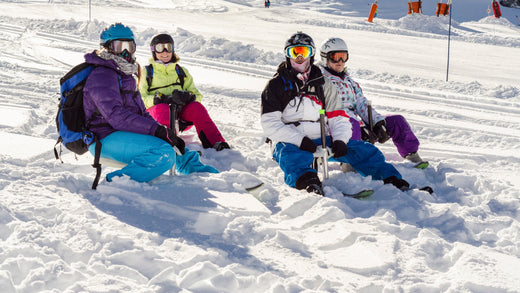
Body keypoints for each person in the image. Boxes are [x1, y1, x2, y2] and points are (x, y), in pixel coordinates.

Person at [261, 32, 411, 195]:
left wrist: (340, 139)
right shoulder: (275, 85)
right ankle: (308, 183)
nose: (299, 57)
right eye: (293, 52)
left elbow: (338, 117)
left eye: (303, 52)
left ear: (311, 54)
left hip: (321, 138)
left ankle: (390, 178)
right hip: (289, 140)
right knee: (291, 156)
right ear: (287, 55)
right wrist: (300, 140)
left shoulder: (323, 84)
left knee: (364, 149)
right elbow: (270, 124)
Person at [83, 23, 218, 183]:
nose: (125, 52)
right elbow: (116, 116)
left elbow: (142, 113)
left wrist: (164, 132)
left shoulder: (126, 76)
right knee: (163, 153)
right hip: (103, 137)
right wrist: (156, 130)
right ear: (107, 48)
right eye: (119, 46)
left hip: (122, 133)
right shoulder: (102, 75)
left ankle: (200, 171)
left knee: (170, 144)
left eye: (129, 46)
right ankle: (115, 183)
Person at [318, 37, 427, 171]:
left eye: (344, 57)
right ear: (325, 58)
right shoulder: (319, 80)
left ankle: (412, 156)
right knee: (351, 124)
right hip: (332, 129)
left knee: (397, 121)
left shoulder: (348, 81)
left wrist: (376, 122)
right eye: (335, 57)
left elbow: (361, 103)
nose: (340, 62)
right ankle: (350, 166)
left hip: (355, 127)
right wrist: (357, 124)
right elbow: (328, 108)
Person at [139, 33, 230, 151]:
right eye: (160, 48)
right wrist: (157, 99)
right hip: (156, 115)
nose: (165, 52)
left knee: (196, 107)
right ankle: (168, 144)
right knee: (163, 108)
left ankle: (215, 142)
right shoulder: (146, 72)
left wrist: (189, 97)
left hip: (179, 115)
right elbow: (139, 98)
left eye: (168, 47)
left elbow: (197, 95)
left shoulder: (181, 71)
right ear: (153, 51)